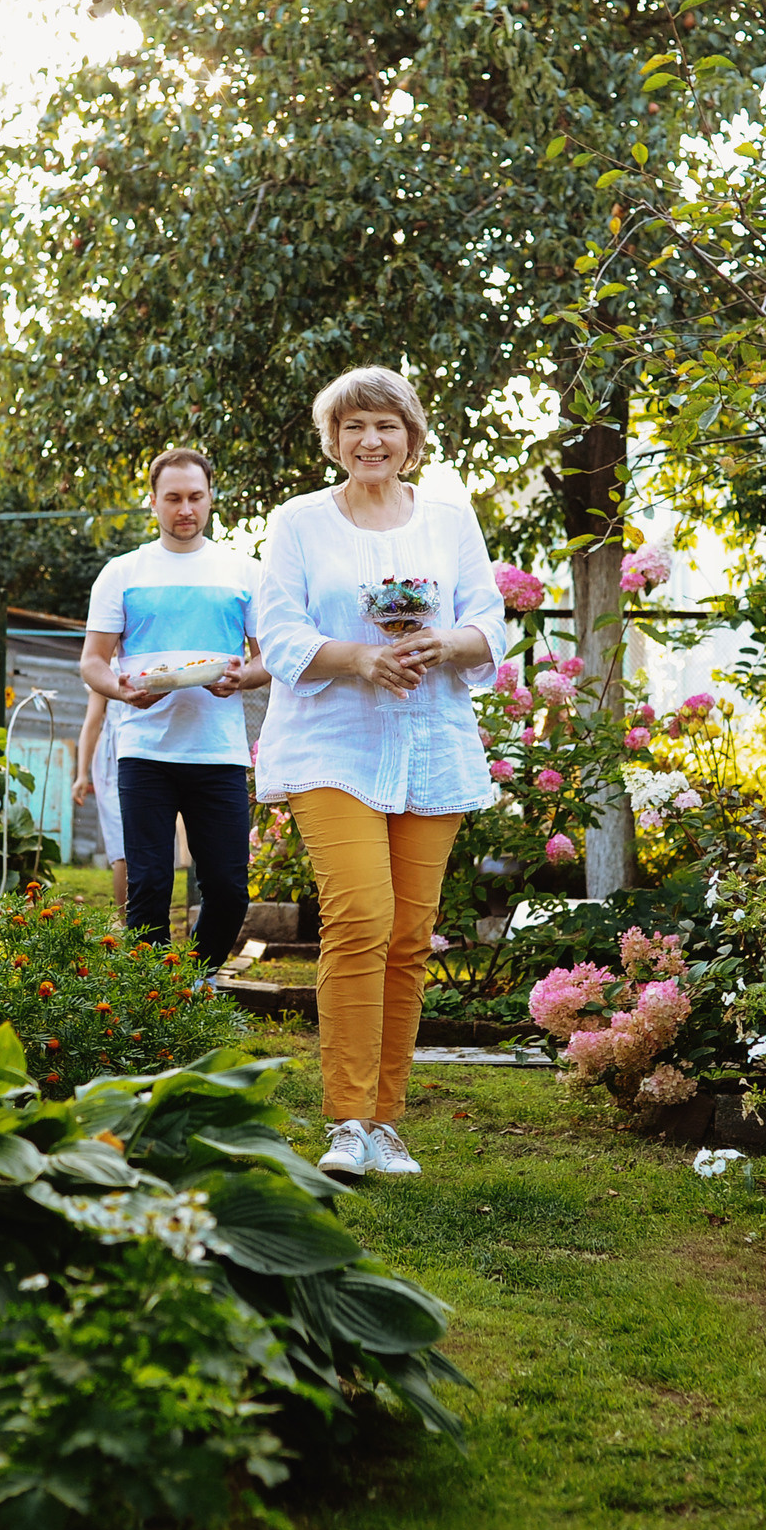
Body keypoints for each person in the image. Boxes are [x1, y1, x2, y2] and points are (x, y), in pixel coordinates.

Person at [251, 367, 506, 1180]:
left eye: (386, 425)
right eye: (354, 426)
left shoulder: (448, 516)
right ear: (334, 440)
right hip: (334, 744)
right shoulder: (298, 522)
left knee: (407, 935)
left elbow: (487, 619)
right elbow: (281, 634)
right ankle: (347, 1119)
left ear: (411, 436)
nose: (370, 440)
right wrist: (363, 657)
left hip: (430, 741)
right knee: (360, 916)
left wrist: (443, 646)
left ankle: (387, 1120)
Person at [79, 449, 268, 966]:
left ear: (210, 498)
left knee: (229, 890)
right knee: (148, 888)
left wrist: (242, 677)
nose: (185, 508)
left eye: (195, 497)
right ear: (154, 501)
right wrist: (123, 690)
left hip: (219, 754)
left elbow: (268, 657)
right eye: (174, 498)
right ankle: (152, 1002)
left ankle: (194, 982)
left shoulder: (243, 571)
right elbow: (94, 662)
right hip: (144, 753)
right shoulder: (122, 572)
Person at [71, 687, 127, 919]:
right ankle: (128, 925)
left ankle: (144, 922)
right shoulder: (105, 668)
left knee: (146, 846)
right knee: (122, 848)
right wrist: (81, 774)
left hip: (152, 755)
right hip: (112, 763)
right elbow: (92, 722)